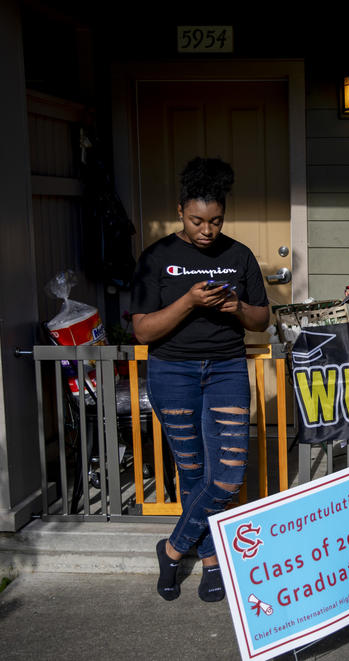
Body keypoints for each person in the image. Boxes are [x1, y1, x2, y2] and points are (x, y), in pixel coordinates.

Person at [130, 157, 269, 602]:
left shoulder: (239, 255)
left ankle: (171, 549)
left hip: (226, 368)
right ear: (180, 212)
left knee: (227, 475)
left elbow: (262, 319)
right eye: (196, 221)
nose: (206, 230)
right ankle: (211, 561)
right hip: (172, 371)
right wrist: (189, 300)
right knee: (191, 472)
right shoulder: (157, 257)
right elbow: (143, 330)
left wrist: (238, 309)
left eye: (215, 221)